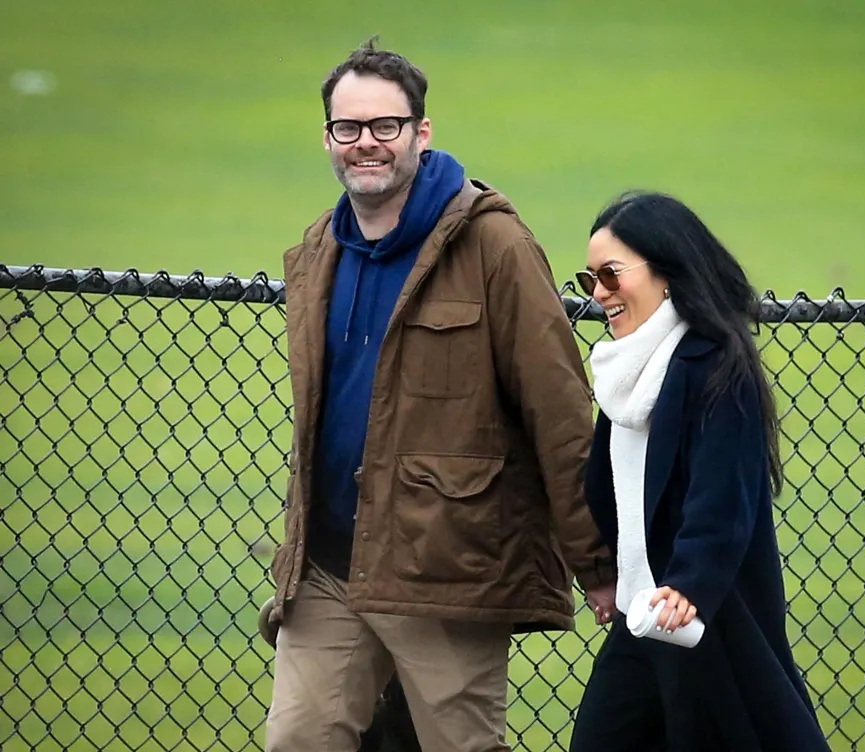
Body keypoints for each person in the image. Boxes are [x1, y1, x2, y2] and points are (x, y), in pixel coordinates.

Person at [263, 38, 616, 752]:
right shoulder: (317, 253)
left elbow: (559, 411)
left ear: (421, 133)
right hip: (331, 567)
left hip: (445, 573)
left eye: (384, 126)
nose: (365, 143)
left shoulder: (496, 248)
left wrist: (598, 563)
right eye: (347, 128)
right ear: (326, 137)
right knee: (297, 740)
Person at [568, 192, 831, 751]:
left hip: (700, 613)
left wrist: (690, 580)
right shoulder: (626, 369)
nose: (599, 295)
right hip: (641, 614)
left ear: (665, 270)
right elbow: (611, 489)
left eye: (611, 276)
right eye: (589, 279)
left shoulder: (712, 362)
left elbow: (724, 492)